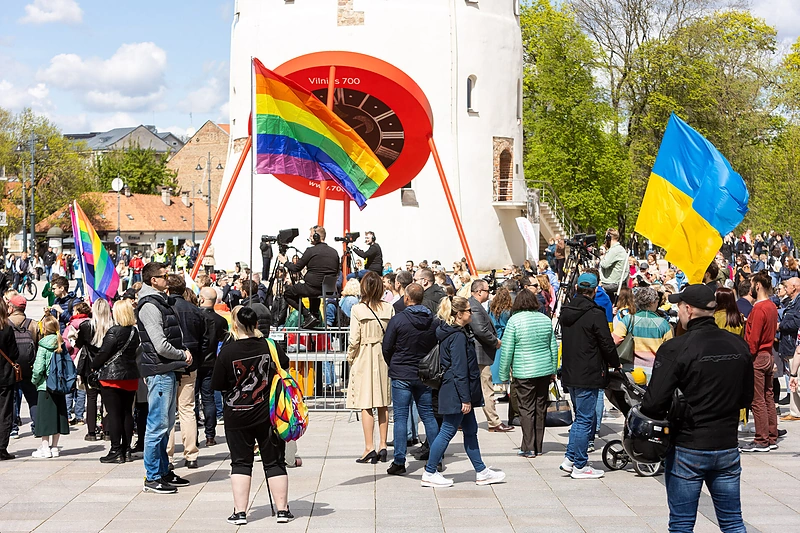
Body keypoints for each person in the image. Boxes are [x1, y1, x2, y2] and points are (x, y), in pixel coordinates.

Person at [641, 284, 753, 533]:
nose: (678, 310)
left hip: (688, 446)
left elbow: (653, 403)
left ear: (688, 310)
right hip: (726, 443)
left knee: (681, 524)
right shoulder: (738, 345)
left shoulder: (676, 348)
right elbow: (747, 398)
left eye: (679, 306)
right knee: (733, 522)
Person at [212, 306, 293, 525]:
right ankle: (283, 510)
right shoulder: (270, 346)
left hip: (236, 415)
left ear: (235, 326)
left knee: (240, 463)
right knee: (275, 462)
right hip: (268, 414)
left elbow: (218, 383)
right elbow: (284, 366)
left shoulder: (227, 352)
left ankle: (240, 513)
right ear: (256, 324)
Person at [421, 295, 506, 487]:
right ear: (459, 314)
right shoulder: (457, 336)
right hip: (457, 393)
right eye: (468, 310)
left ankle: (481, 471)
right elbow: (459, 370)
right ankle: (430, 472)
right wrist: (465, 400)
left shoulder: (455, 332)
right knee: (447, 432)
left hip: (456, 391)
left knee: (471, 430)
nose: (471, 313)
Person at [136, 261, 191, 494]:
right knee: (157, 425)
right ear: (153, 280)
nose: (168, 279)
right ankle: (153, 475)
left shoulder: (160, 302)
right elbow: (160, 344)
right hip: (159, 370)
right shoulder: (150, 305)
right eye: (164, 276)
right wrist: (182, 354)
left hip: (166, 369)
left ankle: (163, 470)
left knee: (166, 424)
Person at [558, 273, 619, 479]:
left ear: (576, 288)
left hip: (570, 371)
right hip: (589, 371)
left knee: (579, 419)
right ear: (594, 291)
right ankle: (580, 465)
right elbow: (606, 342)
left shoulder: (565, 312)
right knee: (585, 419)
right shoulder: (595, 313)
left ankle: (570, 459)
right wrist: (616, 362)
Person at [382, 283, 440, 475]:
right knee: (428, 416)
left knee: (400, 417)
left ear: (407, 298)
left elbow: (387, 347)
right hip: (423, 372)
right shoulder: (432, 321)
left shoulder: (398, 320)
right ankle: (436, 457)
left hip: (401, 372)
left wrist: (394, 363)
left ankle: (399, 460)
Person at [498, 289, 557, 458]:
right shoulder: (545, 320)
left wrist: (503, 374)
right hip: (544, 370)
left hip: (523, 371)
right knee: (540, 407)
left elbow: (507, 349)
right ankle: (538, 445)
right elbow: (552, 346)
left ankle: (528, 446)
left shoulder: (514, 321)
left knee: (526, 408)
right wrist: (553, 369)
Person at [346, 272, 394, 463]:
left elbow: (354, 338)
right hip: (383, 355)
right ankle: (383, 444)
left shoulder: (358, 309)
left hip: (364, 355)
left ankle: (369, 447)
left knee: (365, 403)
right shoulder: (389, 308)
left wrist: (350, 357)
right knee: (383, 403)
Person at [91, 299, 140, 463]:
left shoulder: (114, 331)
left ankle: (115, 450)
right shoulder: (134, 332)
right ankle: (126, 449)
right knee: (127, 413)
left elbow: (104, 353)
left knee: (114, 414)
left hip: (112, 377)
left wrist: (93, 365)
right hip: (131, 376)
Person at [166, 274, 207, 470]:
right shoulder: (195, 310)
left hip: (169, 364)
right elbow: (204, 339)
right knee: (187, 410)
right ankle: (191, 454)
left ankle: (168, 455)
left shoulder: (164, 308)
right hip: (190, 364)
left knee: (168, 412)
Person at [742, 270, 779, 452]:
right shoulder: (771, 306)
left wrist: (747, 356)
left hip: (757, 356)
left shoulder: (758, 308)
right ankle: (771, 435)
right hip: (768, 353)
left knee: (757, 400)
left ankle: (761, 439)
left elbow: (753, 339)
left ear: (757, 285)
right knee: (768, 397)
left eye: (751, 284)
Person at [611, 287, 673, 383]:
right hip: (654, 372)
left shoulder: (628, 319)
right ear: (652, 302)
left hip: (630, 372)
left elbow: (614, 340)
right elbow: (669, 350)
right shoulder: (662, 323)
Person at [284, 226, 340, 329]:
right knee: (312, 292)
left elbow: (296, 268)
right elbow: (337, 271)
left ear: (316, 236)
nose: (309, 239)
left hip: (311, 288)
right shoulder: (334, 252)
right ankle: (314, 316)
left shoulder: (311, 251)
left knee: (287, 293)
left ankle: (308, 315)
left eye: (311, 236)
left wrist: (285, 262)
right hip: (328, 290)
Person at [31, 315, 69, 459]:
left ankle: (45, 448)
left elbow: (38, 368)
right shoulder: (61, 343)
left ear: (44, 329)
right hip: (59, 385)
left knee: (45, 418)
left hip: (45, 385)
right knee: (57, 416)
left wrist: (35, 381)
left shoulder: (43, 344)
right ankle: (54, 447)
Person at [75, 299, 113, 441]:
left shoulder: (86, 326)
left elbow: (78, 344)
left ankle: (91, 432)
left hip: (90, 367)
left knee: (91, 399)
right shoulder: (112, 326)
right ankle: (107, 431)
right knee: (107, 399)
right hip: (107, 367)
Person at [197, 287, 229, 446]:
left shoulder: (196, 317)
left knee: (193, 399)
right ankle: (210, 435)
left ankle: (196, 435)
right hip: (211, 362)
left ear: (202, 299)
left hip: (196, 362)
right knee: (208, 398)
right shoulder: (220, 320)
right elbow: (223, 342)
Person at [8, 295, 39, 440]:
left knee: (13, 397)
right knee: (33, 397)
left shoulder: (6, 323)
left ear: (12, 307)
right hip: (29, 367)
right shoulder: (32, 324)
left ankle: (13, 428)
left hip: (12, 367)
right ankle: (37, 426)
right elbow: (38, 345)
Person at [0, 298, 19, 460]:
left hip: (5, 376)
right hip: (5, 376)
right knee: (5, 412)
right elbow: (14, 354)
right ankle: (1, 448)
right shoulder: (6, 329)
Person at [599, 228, 627, 301]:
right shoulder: (619, 249)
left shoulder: (615, 250)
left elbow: (605, 264)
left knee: (593, 287)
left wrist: (602, 257)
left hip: (612, 283)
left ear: (608, 237)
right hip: (617, 281)